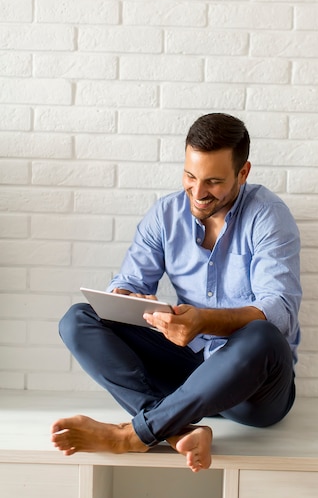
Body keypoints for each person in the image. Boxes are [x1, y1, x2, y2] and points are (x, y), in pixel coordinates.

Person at [51, 113, 302, 473]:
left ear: (243, 173)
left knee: (262, 334)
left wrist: (205, 322)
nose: (198, 193)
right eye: (190, 176)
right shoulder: (166, 213)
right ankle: (176, 430)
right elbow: (130, 281)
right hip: (186, 372)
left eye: (213, 182)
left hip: (253, 389)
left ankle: (132, 436)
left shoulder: (269, 217)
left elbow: (280, 310)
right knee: (79, 318)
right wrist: (127, 299)